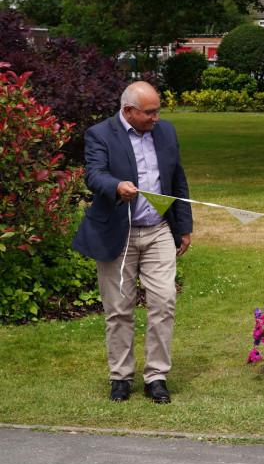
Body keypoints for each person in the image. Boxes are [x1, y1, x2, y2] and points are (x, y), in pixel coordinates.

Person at [72, 81, 193, 404]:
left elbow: (177, 179)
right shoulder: (100, 134)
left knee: (164, 301)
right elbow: (93, 174)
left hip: (157, 231)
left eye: (158, 111)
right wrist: (115, 186)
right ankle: (120, 377)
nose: (156, 118)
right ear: (128, 111)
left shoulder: (166, 132)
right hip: (117, 233)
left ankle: (156, 376)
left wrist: (183, 226)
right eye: (149, 112)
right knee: (119, 309)